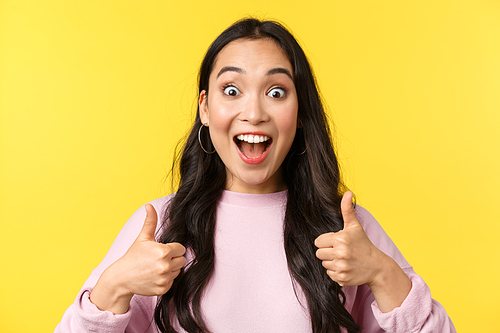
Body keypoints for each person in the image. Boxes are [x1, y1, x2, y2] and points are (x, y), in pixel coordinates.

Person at [55, 18, 456, 333]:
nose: (254, 112)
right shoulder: (162, 227)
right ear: (205, 108)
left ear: (299, 114)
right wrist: (114, 285)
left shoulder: (347, 230)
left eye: (276, 91)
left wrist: (383, 273)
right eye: (232, 90)